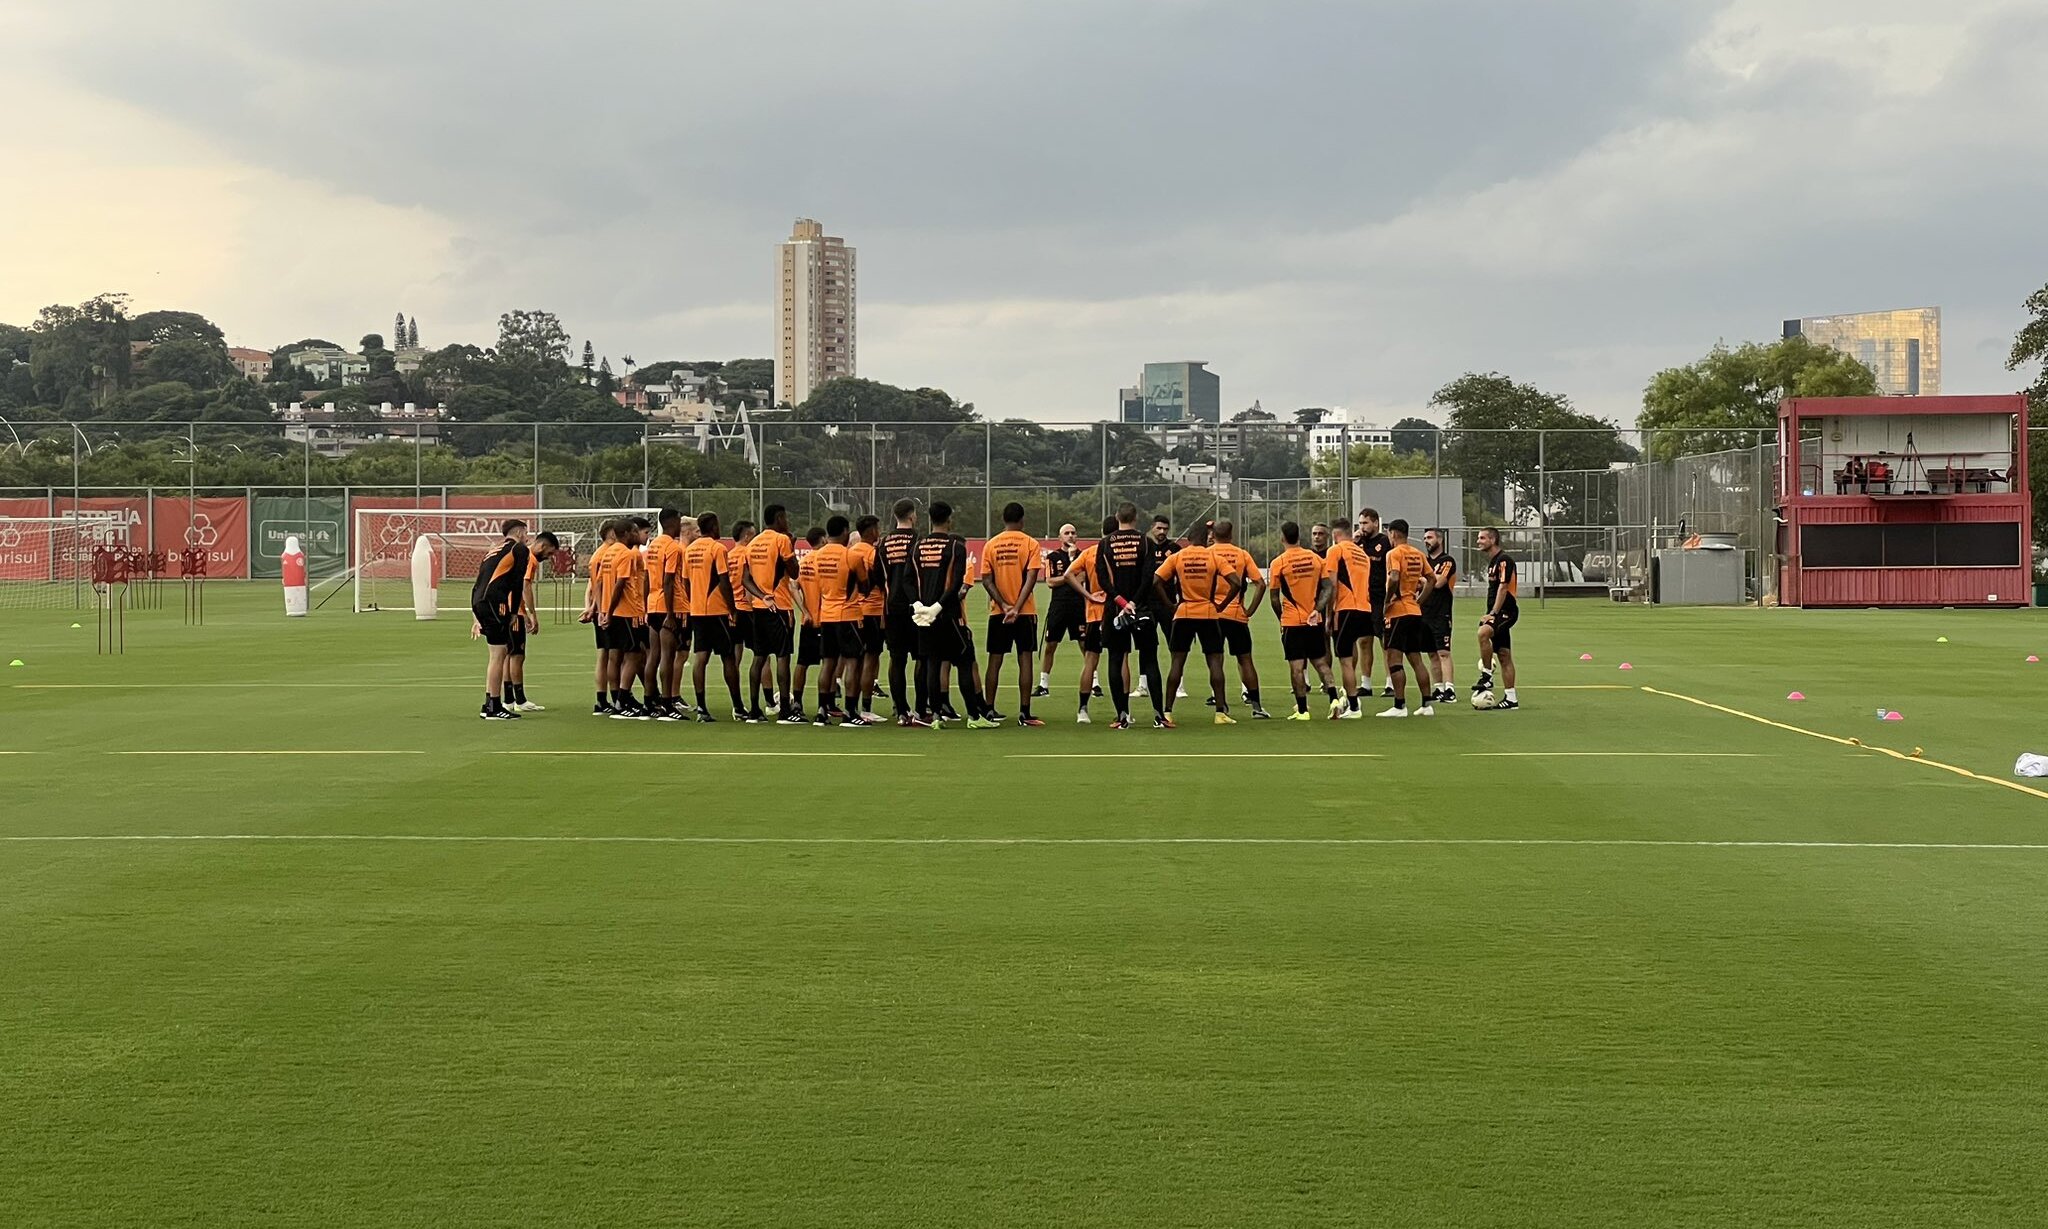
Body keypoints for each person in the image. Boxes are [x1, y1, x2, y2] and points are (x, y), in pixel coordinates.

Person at [913, 501, 995, 728]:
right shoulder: (955, 546)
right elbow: (956, 581)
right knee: (966, 661)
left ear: (930, 519)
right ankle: (975, 716)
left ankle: (937, 716)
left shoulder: (919, 546)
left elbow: (909, 580)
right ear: (949, 519)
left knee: (933, 663)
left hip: (924, 616)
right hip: (948, 614)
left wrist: (920, 606)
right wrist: (938, 607)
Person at [1154, 524, 1237, 726]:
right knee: (1215, 662)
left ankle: (1167, 712)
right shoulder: (1214, 557)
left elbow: (1156, 580)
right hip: (1208, 612)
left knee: (1177, 663)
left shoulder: (1177, 557)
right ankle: (1220, 713)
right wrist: (1222, 605)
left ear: (1189, 538)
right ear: (1206, 537)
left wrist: (1170, 605)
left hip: (1183, 613)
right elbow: (1236, 582)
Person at [1095, 503, 1167, 730]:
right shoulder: (1145, 542)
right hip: (1142, 608)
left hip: (1116, 610)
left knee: (1116, 659)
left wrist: (1122, 602)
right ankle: (1159, 716)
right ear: (1136, 518)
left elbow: (1103, 579)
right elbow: (1149, 577)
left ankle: (1122, 716)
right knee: (1150, 659)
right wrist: (1135, 602)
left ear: (1117, 518)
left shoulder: (1105, 543)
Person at [980, 502, 1047, 727]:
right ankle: (1024, 712)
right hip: (1024, 612)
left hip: (998, 612)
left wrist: (1004, 605)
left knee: (995, 660)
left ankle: (988, 708)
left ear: (1003, 519)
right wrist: (1017, 607)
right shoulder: (1030, 543)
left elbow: (987, 580)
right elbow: (1031, 578)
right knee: (1025, 658)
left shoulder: (991, 544)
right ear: (1022, 520)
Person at [1268, 521, 1341, 720]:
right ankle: (1334, 698)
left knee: (1297, 667)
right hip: (1313, 620)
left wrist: (1281, 618)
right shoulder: (1315, 559)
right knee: (1320, 661)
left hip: (1293, 621)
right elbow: (1328, 587)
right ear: (1300, 536)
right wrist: (1317, 610)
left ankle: (1302, 710)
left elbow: (1274, 598)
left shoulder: (1279, 563)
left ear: (1282, 538)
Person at [684, 512, 747, 722]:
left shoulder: (690, 549)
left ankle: (701, 708)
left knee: (700, 657)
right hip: (717, 610)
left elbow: (685, 582)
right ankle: (738, 707)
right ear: (713, 526)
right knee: (728, 657)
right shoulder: (717, 548)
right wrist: (732, 609)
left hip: (697, 610)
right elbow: (724, 581)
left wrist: (692, 601)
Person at [471, 520, 535, 720]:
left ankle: (489, 702)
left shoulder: (494, 550)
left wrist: (475, 613)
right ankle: (494, 706)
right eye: (526, 532)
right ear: (520, 531)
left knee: (497, 653)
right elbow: (517, 583)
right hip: (494, 602)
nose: (527, 536)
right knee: (499, 654)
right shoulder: (519, 549)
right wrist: (514, 612)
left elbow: (479, 580)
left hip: (479, 600)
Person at [1206, 520, 1269, 718]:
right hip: (1236, 615)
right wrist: (1249, 610)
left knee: (1216, 660)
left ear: (1213, 536)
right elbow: (1260, 584)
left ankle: (1221, 706)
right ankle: (1257, 707)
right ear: (1232, 535)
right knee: (1245, 660)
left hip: (1212, 614)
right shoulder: (1241, 554)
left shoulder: (1207, 554)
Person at [809, 516, 867, 726]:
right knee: (852, 662)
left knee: (828, 664)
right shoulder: (851, 556)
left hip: (827, 615)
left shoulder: (817, 556)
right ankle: (850, 712)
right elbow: (864, 585)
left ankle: (822, 710)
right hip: (849, 615)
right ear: (845, 531)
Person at [1376, 519, 1437, 718]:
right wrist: (1418, 601)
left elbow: (1393, 577)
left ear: (1393, 534)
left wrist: (1387, 601)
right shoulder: (1418, 554)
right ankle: (1427, 704)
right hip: (1414, 611)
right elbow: (1432, 580)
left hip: (1398, 611)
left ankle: (1399, 705)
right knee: (1416, 659)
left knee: (1394, 657)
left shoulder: (1393, 553)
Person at [744, 505, 799, 723]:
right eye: (785, 517)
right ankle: (785, 710)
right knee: (783, 657)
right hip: (780, 606)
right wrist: (792, 546)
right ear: (778, 518)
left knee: (759, 658)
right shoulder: (781, 540)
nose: (787, 520)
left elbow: (745, 579)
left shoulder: (753, 542)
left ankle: (754, 710)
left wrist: (761, 595)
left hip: (759, 607)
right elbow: (794, 571)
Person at [1060, 517, 1113, 723]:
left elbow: (1068, 574)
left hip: (1094, 612)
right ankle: (1123, 712)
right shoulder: (1119, 550)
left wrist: (1088, 595)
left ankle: (1082, 709)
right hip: (1116, 611)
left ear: (1101, 531)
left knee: (1090, 660)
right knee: (1121, 658)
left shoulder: (1091, 551)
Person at [503, 529, 560, 712]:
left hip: (505, 608)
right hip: (514, 612)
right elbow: (525, 585)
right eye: (549, 552)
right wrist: (532, 614)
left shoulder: (518, 554)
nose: (549, 557)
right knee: (517, 655)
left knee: (507, 655)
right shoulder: (529, 557)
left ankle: (509, 699)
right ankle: (519, 700)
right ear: (542, 545)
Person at [1322, 523, 1374, 719]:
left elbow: (1332, 585)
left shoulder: (1336, 550)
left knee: (1344, 659)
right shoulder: (1363, 555)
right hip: (1364, 608)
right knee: (1352, 650)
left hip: (1345, 608)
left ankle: (1353, 706)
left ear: (1335, 535)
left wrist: (1329, 615)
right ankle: (1352, 697)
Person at [879, 499, 924, 725]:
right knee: (921, 657)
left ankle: (901, 711)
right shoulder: (918, 540)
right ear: (911, 516)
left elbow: (878, 577)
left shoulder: (883, 542)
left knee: (897, 659)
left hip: (892, 606)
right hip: (916, 606)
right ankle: (920, 709)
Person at [641, 509, 683, 719]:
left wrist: (645, 605)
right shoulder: (673, 547)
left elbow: (647, 578)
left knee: (653, 656)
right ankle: (667, 703)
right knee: (668, 656)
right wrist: (671, 614)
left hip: (652, 604)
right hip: (667, 607)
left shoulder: (653, 545)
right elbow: (668, 581)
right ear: (673, 522)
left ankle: (649, 702)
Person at [1475, 527, 1521, 711]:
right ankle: (1511, 699)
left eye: (1482, 538)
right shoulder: (1493, 561)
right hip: (1497, 611)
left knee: (1482, 633)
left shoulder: (1504, 560)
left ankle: (1486, 676)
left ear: (1492, 540)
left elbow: (1503, 588)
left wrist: (1493, 613)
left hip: (1506, 611)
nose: (1478, 541)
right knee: (1504, 655)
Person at [581, 518, 623, 717]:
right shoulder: (605, 554)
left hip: (602, 608)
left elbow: (592, 586)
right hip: (607, 609)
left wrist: (591, 608)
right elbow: (598, 586)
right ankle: (615, 700)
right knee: (612, 655)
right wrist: (599, 609)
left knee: (605, 654)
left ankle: (602, 700)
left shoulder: (598, 554)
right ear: (612, 533)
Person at [1137, 513, 1181, 700]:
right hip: (1146, 603)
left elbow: (1180, 577)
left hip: (1168, 603)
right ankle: (1142, 685)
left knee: (1174, 643)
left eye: (1165, 529)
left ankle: (1179, 685)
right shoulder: (1144, 546)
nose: (1162, 532)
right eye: (1158, 528)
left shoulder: (1174, 549)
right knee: (1145, 645)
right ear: (1152, 528)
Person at [1036, 522, 1082, 698]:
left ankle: (1094, 683)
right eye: (1067, 533)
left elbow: (1084, 576)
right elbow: (1050, 582)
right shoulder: (1052, 557)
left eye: (1073, 532)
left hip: (1079, 604)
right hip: (1059, 605)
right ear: (1060, 537)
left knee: (1086, 644)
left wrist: (1069, 569)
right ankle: (1043, 684)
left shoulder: (1081, 556)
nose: (1070, 536)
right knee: (1051, 644)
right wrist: (1070, 577)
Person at [787, 526, 827, 724]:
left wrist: (804, 611)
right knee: (828, 664)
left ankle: (798, 703)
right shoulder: (824, 560)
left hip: (808, 621)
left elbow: (793, 586)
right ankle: (823, 706)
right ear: (822, 539)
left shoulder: (804, 561)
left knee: (802, 663)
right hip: (827, 620)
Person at [1354, 508, 1393, 699]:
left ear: (1376, 523)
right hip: (1362, 599)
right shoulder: (1358, 543)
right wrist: (1353, 542)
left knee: (1384, 641)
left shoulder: (1384, 542)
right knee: (1364, 641)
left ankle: (1390, 683)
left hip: (1380, 598)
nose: (1362, 527)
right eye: (1360, 523)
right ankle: (1366, 684)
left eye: (1365, 523)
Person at [851, 516, 886, 723]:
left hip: (853, 611)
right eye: (877, 527)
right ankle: (865, 707)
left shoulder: (850, 552)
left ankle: (851, 706)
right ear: (871, 530)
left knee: (854, 660)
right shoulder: (873, 554)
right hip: (873, 611)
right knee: (871, 659)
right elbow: (882, 583)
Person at [1422, 527, 1458, 705]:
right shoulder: (1424, 561)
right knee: (1431, 653)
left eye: (1429, 537)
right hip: (1424, 612)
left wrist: (1421, 579)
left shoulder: (1447, 561)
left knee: (1443, 652)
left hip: (1441, 613)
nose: (1426, 541)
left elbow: (1438, 582)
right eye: (1425, 538)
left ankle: (1450, 689)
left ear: (1440, 540)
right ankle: (1438, 688)